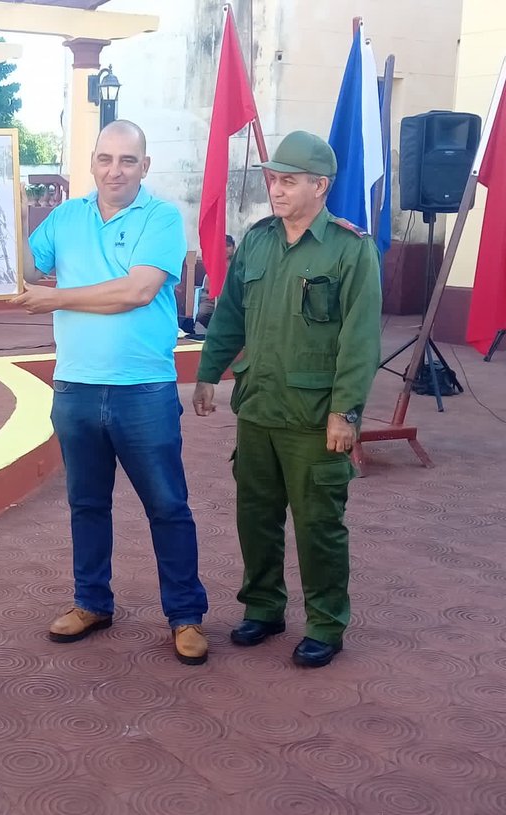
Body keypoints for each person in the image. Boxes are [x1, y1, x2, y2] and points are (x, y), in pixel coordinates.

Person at [13, 121, 209, 666]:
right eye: (105, 159)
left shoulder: (161, 217)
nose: (114, 171)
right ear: (92, 162)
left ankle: (186, 615)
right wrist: (5, 216)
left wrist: (56, 298)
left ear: (145, 166)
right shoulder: (66, 218)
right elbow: (25, 269)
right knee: (86, 503)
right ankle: (91, 602)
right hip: (75, 386)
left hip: (142, 389)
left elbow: (137, 291)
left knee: (167, 505)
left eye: (127, 160)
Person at [192, 130, 382, 669]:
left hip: (314, 418)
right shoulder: (257, 241)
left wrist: (345, 411)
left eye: (289, 181)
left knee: (318, 526)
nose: (275, 189)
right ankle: (263, 607)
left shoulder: (350, 249)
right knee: (255, 518)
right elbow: (230, 313)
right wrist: (208, 373)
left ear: (319, 186)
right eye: (273, 179)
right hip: (257, 408)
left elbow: (360, 340)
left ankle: (325, 623)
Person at [195, 234, 233, 330]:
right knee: (202, 314)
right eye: (222, 246)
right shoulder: (213, 261)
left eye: (228, 246)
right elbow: (207, 286)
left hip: (231, 299)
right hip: (211, 298)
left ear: (234, 247)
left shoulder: (238, 263)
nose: (225, 249)